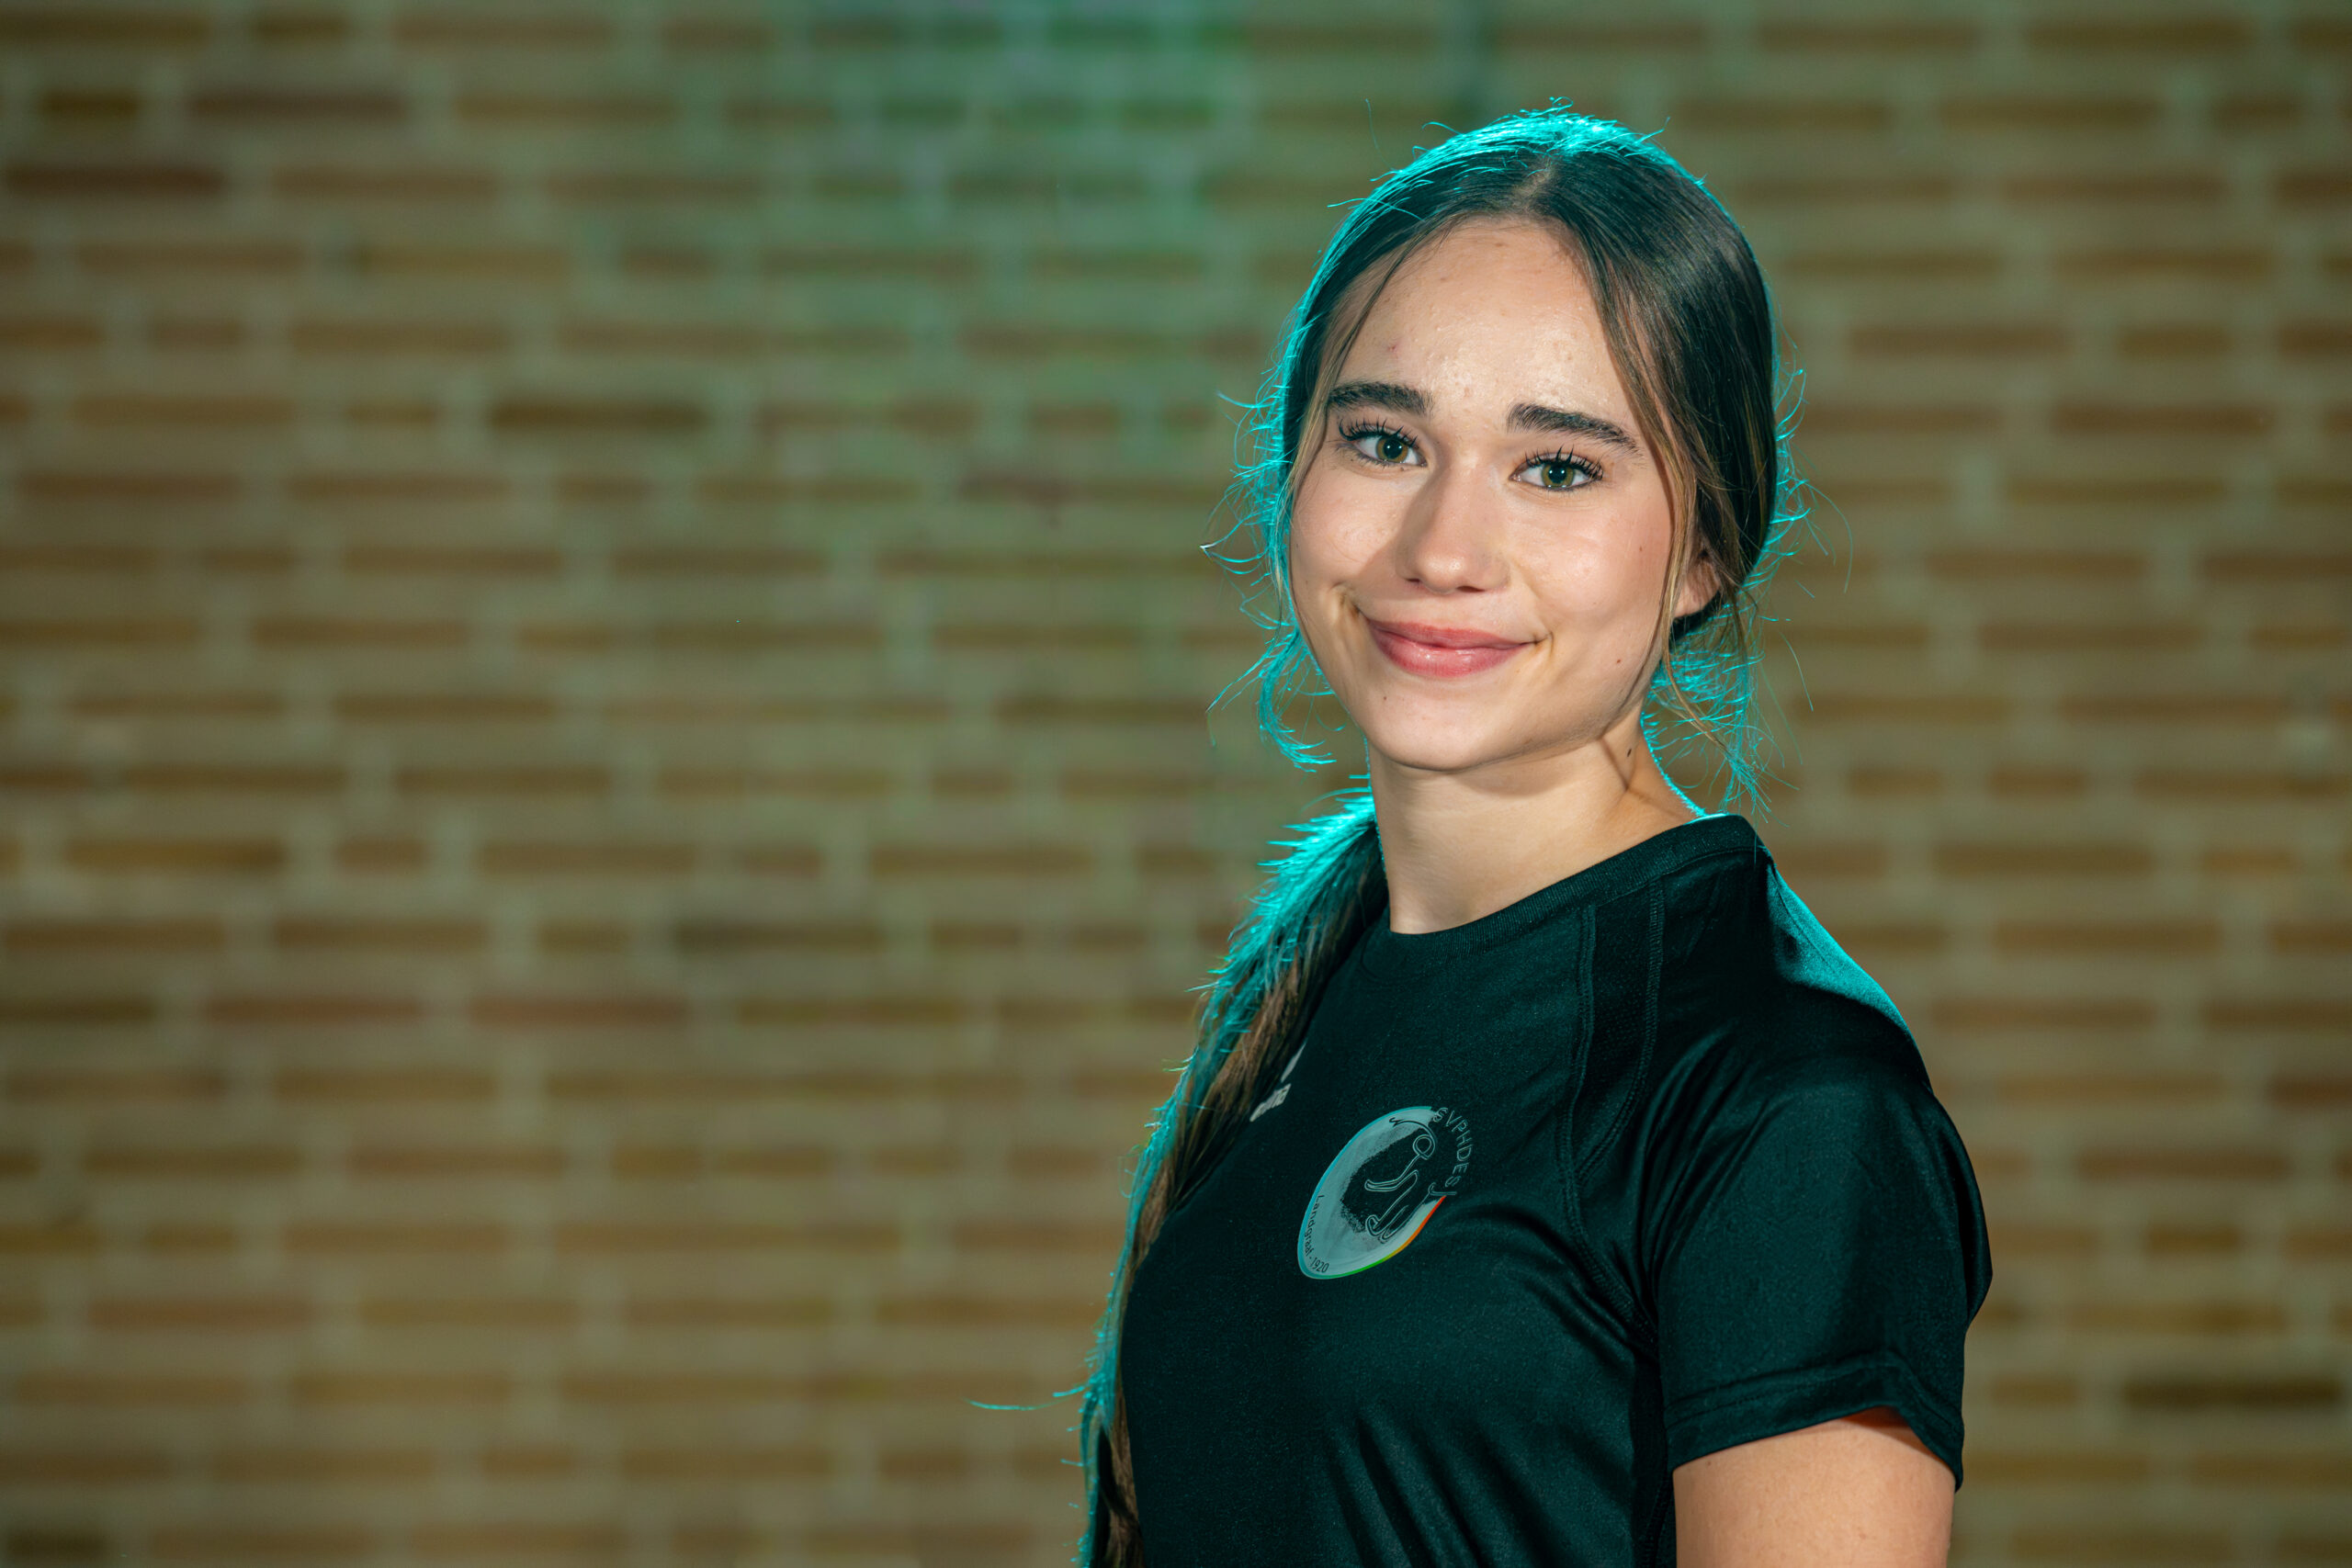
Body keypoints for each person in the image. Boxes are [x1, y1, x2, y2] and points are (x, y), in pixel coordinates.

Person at [1069, 108, 1992, 1567]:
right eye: (1385, 441)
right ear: (1291, 470)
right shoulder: (1316, 980)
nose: (1442, 549)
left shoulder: (1787, 1094)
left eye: (1557, 468)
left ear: (1704, 548)